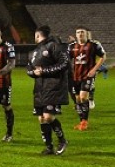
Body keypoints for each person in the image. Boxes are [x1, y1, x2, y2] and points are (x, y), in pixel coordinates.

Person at [27, 25, 69, 155]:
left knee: (48, 116)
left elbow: (64, 63)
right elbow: (29, 69)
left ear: (37, 35)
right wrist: (34, 73)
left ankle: (62, 140)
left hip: (53, 87)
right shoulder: (34, 52)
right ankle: (49, 147)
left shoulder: (53, 46)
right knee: (41, 118)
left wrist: (44, 71)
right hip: (39, 89)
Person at [68, 26, 106, 130]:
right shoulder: (72, 46)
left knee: (83, 97)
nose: (80, 34)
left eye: (82, 32)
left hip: (87, 75)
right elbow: (66, 59)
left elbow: (103, 56)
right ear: (76, 34)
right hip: (75, 76)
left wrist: (94, 69)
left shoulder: (94, 45)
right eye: (78, 32)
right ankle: (81, 121)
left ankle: (84, 122)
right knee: (78, 99)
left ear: (86, 34)